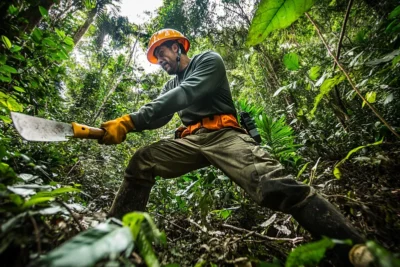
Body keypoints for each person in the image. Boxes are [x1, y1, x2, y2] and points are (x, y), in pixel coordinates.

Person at [99, 29, 365, 265]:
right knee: (142, 161)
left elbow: (186, 94)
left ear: (177, 47)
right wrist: (124, 127)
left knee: (274, 184)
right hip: (191, 141)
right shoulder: (170, 83)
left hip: (224, 135)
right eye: (155, 57)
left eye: (162, 52)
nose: (160, 60)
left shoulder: (208, 61)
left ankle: (352, 247)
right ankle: (115, 241)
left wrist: (129, 121)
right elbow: (160, 116)